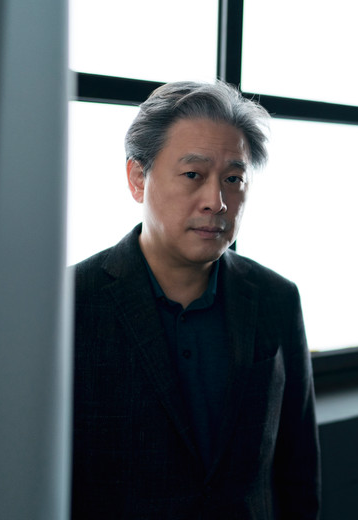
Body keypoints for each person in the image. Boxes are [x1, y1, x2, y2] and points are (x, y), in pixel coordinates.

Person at [71, 81, 320, 519]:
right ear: (137, 178)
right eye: (193, 175)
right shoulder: (70, 303)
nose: (216, 202)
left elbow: (297, 467)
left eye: (233, 179)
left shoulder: (277, 298)